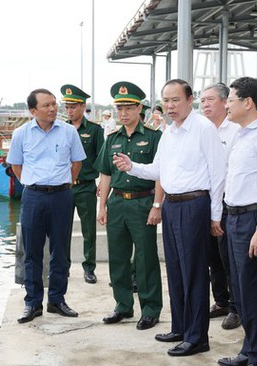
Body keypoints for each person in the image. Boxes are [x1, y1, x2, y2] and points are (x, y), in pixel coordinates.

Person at [113, 79, 226, 357]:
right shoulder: (169, 132)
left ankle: (197, 337)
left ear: (190, 100)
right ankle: (180, 327)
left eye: (176, 100)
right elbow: (159, 170)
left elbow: (218, 174)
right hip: (172, 206)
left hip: (194, 205)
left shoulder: (203, 129)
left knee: (194, 273)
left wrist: (215, 216)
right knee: (175, 270)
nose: (170, 106)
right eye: (166, 100)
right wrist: (132, 167)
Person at [217, 77, 257, 366]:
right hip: (233, 217)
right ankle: (250, 349)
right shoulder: (240, 134)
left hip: (252, 219)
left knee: (253, 290)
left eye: (230, 99)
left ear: (247, 103)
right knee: (240, 291)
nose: (226, 104)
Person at [8, 88, 86, 323]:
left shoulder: (69, 131)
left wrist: (64, 183)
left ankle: (57, 299)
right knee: (32, 252)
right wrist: (34, 184)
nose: (53, 109)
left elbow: (77, 162)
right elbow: (16, 166)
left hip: (62, 196)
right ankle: (32, 303)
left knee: (60, 251)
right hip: (33, 197)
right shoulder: (21, 134)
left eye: (54, 104)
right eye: (47, 105)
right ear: (33, 111)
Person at [94, 81, 164, 331]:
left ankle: (150, 309)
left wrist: (157, 205)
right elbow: (105, 174)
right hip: (117, 203)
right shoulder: (112, 138)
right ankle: (123, 306)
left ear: (139, 109)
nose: (123, 113)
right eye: (119, 109)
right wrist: (102, 207)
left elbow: (160, 175)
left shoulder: (154, 137)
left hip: (142, 202)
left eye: (128, 108)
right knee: (118, 258)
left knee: (146, 259)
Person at [200, 82, 241, 331]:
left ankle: (236, 307)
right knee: (212, 257)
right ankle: (221, 301)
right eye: (202, 100)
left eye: (210, 100)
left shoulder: (235, 131)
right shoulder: (201, 129)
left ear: (225, 102)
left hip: (227, 203)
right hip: (203, 201)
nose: (204, 104)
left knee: (229, 258)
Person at [60, 84, 104, 284]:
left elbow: (102, 159)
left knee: (89, 230)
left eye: (73, 106)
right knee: (62, 229)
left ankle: (89, 268)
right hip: (64, 186)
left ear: (82, 106)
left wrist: (103, 182)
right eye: (67, 106)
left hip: (86, 185)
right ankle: (63, 267)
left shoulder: (94, 130)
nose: (69, 110)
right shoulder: (60, 129)